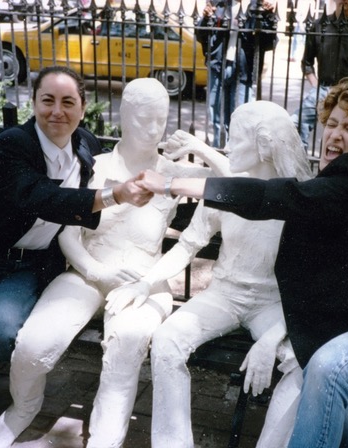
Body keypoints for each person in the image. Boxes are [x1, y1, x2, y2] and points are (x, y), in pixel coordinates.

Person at [135, 78, 348, 447]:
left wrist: (175, 184)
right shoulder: (335, 183)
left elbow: (277, 194)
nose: (335, 134)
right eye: (331, 123)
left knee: (328, 367)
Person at [0, 66, 153, 446]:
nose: (57, 111)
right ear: (34, 103)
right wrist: (115, 194)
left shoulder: (86, 146)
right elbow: (41, 197)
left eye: (68, 102)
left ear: (82, 107)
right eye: (48, 100)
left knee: (3, 329)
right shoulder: (10, 145)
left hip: (28, 265)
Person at [0, 78, 226, 448]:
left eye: (160, 119)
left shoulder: (172, 174)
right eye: (143, 118)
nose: (153, 129)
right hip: (87, 271)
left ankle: (105, 438)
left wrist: (200, 149)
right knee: (34, 343)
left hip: (145, 281)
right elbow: (66, 231)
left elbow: (239, 182)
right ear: (125, 116)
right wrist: (97, 270)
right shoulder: (92, 165)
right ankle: (23, 408)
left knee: (127, 342)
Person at [106, 100, 314, 448]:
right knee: (168, 340)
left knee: (300, 362)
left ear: (263, 145)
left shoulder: (298, 200)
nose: (228, 146)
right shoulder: (225, 191)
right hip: (224, 296)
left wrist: (271, 339)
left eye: (236, 138)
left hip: (274, 304)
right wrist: (146, 282)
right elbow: (187, 246)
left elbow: (311, 286)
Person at [291, 0, 348, 150]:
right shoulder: (319, 25)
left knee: (345, 134)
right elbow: (307, 63)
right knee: (295, 123)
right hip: (324, 89)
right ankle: (301, 164)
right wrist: (316, 85)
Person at [197, 0, 278, 148]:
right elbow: (202, 36)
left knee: (241, 119)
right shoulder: (219, 4)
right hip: (218, 67)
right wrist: (206, 19)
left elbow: (268, 43)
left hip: (244, 70)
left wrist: (269, 17)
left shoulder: (257, 7)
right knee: (217, 118)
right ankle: (219, 152)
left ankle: (235, 158)